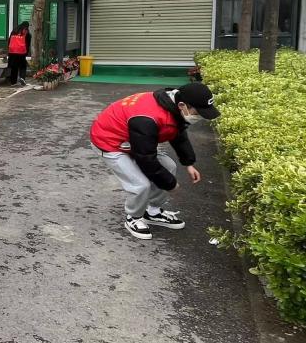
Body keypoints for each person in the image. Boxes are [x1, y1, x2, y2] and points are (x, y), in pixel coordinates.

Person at [89, 83, 220, 240]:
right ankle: (133, 218)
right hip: (109, 142)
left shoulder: (173, 107)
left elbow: (177, 134)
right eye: (197, 113)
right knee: (140, 184)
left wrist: (188, 163)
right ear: (182, 105)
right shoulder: (147, 118)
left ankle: (153, 212)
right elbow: (145, 158)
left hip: (134, 140)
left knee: (169, 167)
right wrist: (170, 183)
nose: (199, 117)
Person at [6, 21, 31, 86]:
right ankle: (22, 78)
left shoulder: (14, 31)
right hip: (21, 53)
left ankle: (13, 82)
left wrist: (9, 50)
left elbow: (9, 41)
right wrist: (26, 53)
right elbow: (27, 44)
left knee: (14, 67)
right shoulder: (26, 32)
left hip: (12, 52)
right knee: (23, 66)